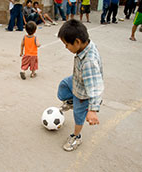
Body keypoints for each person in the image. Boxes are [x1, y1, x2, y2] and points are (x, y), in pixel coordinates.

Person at [57, 19, 104, 151]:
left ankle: (76, 137)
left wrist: (93, 110)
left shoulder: (89, 62)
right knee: (63, 85)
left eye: (67, 44)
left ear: (77, 42)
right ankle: (71, 100)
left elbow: (95, 87)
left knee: (78, 115)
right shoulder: (85, 43)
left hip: (84, 91)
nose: (66, 47)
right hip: (77, 79)